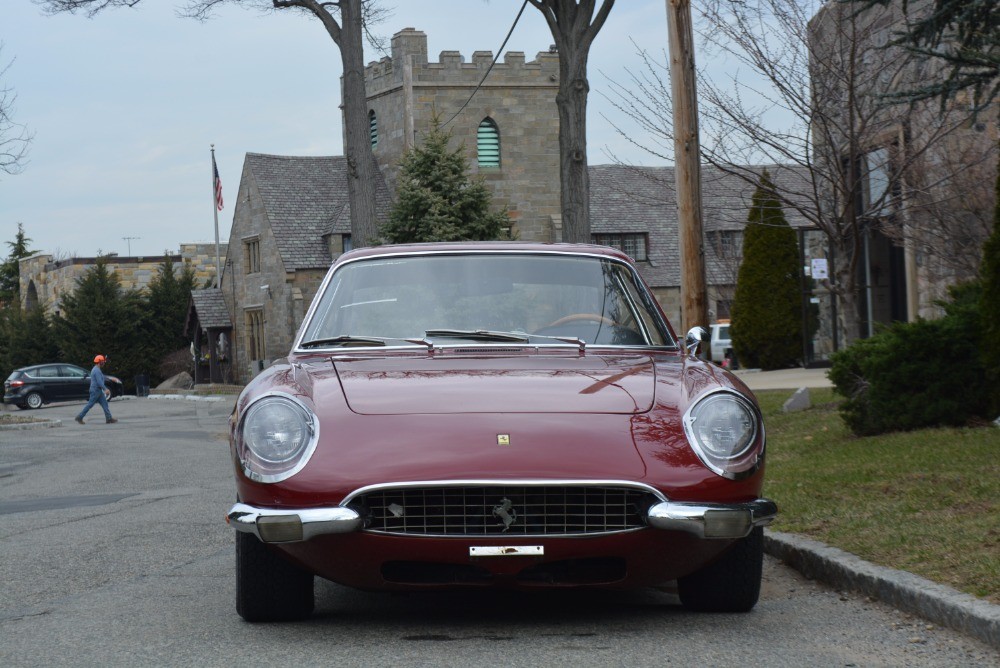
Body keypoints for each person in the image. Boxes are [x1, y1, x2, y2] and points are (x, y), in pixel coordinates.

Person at [74, 354, 118, 425]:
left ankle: (109, 418)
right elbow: (99, 382)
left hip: (98, 391)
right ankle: (80, 417)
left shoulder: (97, 369)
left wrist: (108, 381)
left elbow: (101, 378)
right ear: (99, 362)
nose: (104, 363)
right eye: (103, 361)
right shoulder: (96, 370)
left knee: (105, 404)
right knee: (90, 405)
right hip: (95, 391)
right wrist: (105, 389)